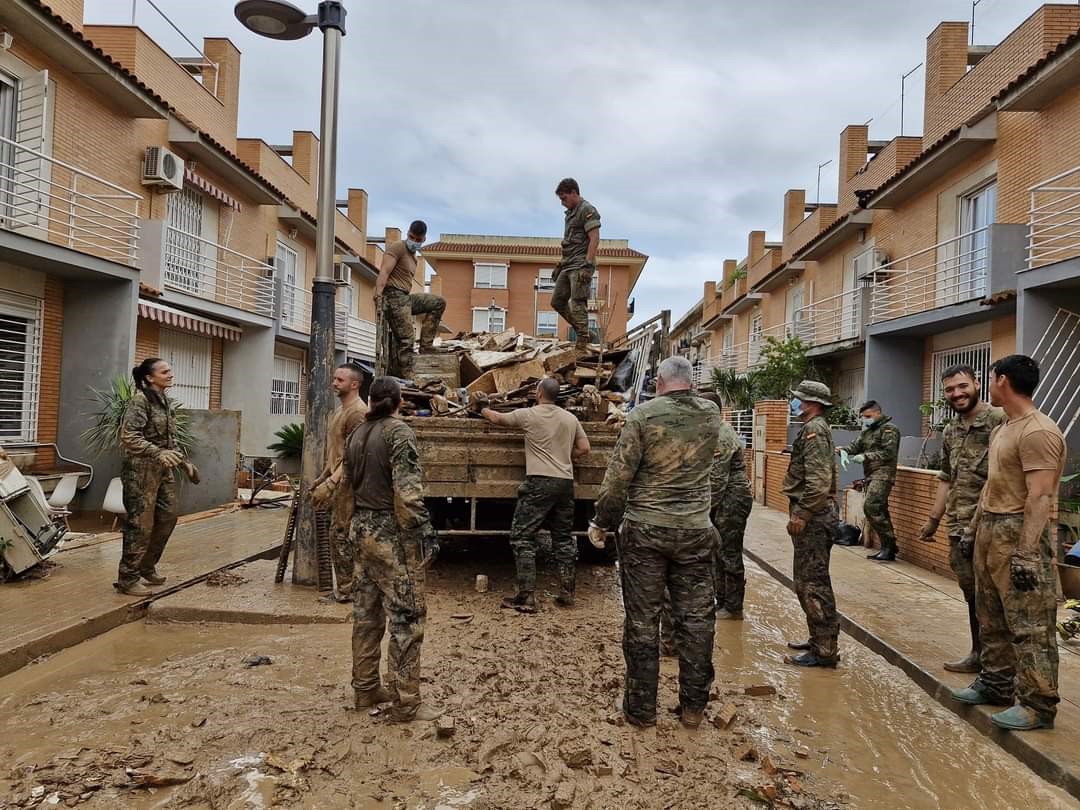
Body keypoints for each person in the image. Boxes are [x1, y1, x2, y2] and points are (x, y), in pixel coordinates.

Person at [591, 356, 720, 729]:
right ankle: (694, 709)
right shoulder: (711, 415)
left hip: (646, 530)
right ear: (690, 382)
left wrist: (602, 521)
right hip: (696, 531)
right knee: (697, 621)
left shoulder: (643, 416)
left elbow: (618, 479)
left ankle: (641, 711)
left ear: (660, 381)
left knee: (643, 622)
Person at [950, 355, 1065, 731]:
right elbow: (991, 484)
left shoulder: (1038, 432)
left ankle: (1037, 704)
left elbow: (1040, 497)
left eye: (989, 378)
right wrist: (973, 528)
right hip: (990, 530)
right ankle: (996, 684)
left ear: (1002, 380)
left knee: (1030, 623)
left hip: (1020, 532)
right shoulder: (1005, 428)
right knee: (991, 614)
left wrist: (1028, 553)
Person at [343, 376, 442, 721]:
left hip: (361, 530)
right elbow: (407, 489)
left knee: (366, 615)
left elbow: (346, 484)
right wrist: (422, 529)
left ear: (370, 400)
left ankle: (366, 689)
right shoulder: (398, 432)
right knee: (407, 618)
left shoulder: (357, 433)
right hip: (391, 534)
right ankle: (405, 701)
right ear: (399, 400)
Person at [917, 364, 1005, 673]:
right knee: (972, 595)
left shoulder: (999, 421)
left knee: (993, 597)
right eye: (950, 390)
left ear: (977, 384)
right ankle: (978, 654)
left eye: (962, 386)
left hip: (990, 527)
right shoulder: (951, 430)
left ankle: (1001, 666)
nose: (957, 394)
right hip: (957, 526)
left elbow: (1003, 478)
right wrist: (933, 519)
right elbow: (946, 477)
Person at [481, 377, 590, 612]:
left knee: (522, 536)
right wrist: (562, 456)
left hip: (539, 481)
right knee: (562, 538)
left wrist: (482, 407)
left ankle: (527, 597)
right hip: (564, 483)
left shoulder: (529, 414)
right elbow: (584, 448)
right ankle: (567, 592)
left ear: (539, 392)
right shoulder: (570, 418)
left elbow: (498, 419)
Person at [114, 358, 198, 597]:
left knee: (168, 517)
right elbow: (130, 436)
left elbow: (170, 442)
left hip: (163, 470)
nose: (170, 374)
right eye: (165, 371)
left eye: (170, 370)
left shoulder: (164, 402)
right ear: (150, 378)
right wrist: (157, 452)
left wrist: (184, 463)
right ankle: (127, 578)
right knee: (140, 525)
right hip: (140, 471)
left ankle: (145, 567)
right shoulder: (139, 402)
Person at [782, 381, 840, 668]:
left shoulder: (814, 430)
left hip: (815, 517)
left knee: (812, 583)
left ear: (811, 403)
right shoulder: (814, 428)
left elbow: (818, 481)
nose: (796, 404)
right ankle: (818, 638)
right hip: (816, 514)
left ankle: (825, 649)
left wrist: (802, 514)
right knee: (808, 580)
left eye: (798, 400)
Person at [310, 363, 369, 602]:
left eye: (340, 380)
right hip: (337, 479)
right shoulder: (339, 411)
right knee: (337, 534)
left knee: (341, 535)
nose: (334, 383)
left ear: (354, 384)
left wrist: (332, 483)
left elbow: (351, 456)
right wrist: (323, 477)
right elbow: (336, 451)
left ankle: (347, 592)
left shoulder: (357, 413)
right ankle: (346, 589)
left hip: (348, 484)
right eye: (334, 379)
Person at [700, 391, 754, 620]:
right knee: (718, 553)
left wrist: (704, 511)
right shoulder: (713, 431)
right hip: (724, 500)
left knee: (729, 553)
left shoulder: (721, 434)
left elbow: (717, 479)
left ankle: (733, 607)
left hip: (731, 500)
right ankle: (721, 600)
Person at [375, 220, 446, 379]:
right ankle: (407, 374)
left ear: (424, 239)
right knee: (407, 337)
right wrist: (378, 297)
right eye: (411, 237)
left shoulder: (414, 257)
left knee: (438, 303)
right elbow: (384, 272)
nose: (414, 242)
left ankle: (426, 346)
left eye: (418, 240)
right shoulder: (398, 247)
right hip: (392, 295)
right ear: (408, 234)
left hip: (405, 297)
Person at [841, 400, 901, 562]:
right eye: (863, 417)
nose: (865, 420)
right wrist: (843, 451)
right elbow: (855, 446)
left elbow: (888, 452)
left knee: (871, 506)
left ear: (877, 413)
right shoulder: (867, 432)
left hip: (883, 474)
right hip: (870, 475)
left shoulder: (889, 429)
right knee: (879, 509)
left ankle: (888, 546)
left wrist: (866, 456)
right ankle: (888, 547)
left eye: (868, 416)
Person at [552, 178, 601, 352]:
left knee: (577, 302)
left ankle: (582, 343)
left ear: (574, 192)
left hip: (581, 264)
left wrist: (588, 264)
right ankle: (585, 331)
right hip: (569, 264)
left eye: (564, 198)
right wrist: (560, 265)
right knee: (557, 301)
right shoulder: (570, 214)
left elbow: (594, 237)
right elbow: (570, 243)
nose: (562, 203)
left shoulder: (586, 210)